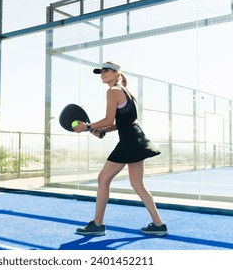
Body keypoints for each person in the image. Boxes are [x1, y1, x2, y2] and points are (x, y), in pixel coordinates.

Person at [72, 61, 167, 236]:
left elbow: (108, 120)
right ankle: (159, 225)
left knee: (103, 179)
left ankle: (98, 224)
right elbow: (120, 123)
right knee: (138, 184)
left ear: (117, 73)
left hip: (129, 141)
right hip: (137, 139)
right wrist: (98, 130)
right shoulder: (125, 92)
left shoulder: (113, 91)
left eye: (106, 71)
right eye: (101, 72)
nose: (102, 74)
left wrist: (86, 126)